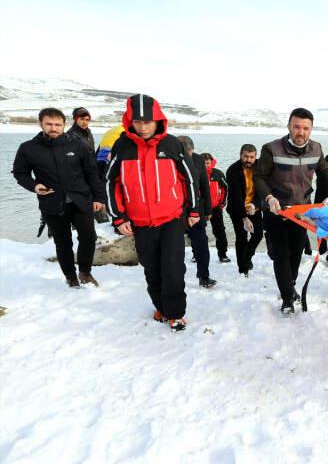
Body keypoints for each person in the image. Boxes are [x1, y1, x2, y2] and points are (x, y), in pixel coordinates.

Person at [105, 94, 200, 332]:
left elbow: (189, 179)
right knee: (152, 268)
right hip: (140, 222)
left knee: (174, 267)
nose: (143, 126)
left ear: (158, 120)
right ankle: (161, 307)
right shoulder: (122, 146)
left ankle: (176, 313)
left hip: (171, 219)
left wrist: (194, 209)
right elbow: (110, 182)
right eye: (138, 122)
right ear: (130, 120)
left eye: (148, 121)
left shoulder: (171, 145)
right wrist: (118, 216)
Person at [253, 107, 328, 314]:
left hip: (300, 211)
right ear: (289, 126)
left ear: (311, 129)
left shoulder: (316, 148)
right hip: (275, 210)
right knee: (281, 255)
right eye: (296, 127)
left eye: (306, 128)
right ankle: (287, 298)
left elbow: (324, 172)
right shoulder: (271, 149)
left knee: (296, 252)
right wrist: (269, 198)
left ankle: (290, 284)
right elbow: (258, 177)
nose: (301, 132)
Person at [12, 107, 105, 287]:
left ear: (64, 125)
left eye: (57, 124)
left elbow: (92, 173)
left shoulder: (78, 145)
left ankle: (85, 272)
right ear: (41, 124)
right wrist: (34, 186)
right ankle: (71, 277)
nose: (53, 128)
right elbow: (20, 173)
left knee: (88, 238)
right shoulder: (28, 148)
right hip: (52, 202)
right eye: (49, 124)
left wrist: (99, 198)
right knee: (63, 243)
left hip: (80, 200)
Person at [177, 136, 216, 288]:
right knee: (175, 247)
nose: (189, 156)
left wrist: (208, 210)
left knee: (201, 244)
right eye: (186, 154)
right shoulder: (168, 160)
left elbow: (204, 186)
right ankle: (174, 278)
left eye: (190, 153)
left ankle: (204, 276)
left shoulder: (198, 160)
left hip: (196, 209)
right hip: (176, 210)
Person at [226, 144, 263, 277]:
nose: (248, 159)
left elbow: (262, 188)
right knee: (241, 237)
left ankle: (246, 258)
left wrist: (255, 205)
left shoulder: (260, 167)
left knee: (258, 234)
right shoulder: (232, 170)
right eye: (245, 156)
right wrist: (244, 218)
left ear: (255, 156)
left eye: (251, 157)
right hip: (237, 209)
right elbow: (235, 197)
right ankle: (243, 268)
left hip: (254, 207)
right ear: (240, 155)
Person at [202, 153, 230, 263]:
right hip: (201, 208)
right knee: (197, 233)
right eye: (203, 163)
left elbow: (225, 188)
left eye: (208, 163)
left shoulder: (218, 173)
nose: (206, 165)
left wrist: (222, 203)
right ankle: (196, 254)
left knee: (220, 232)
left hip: (215, 207)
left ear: (211, 162)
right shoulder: (196, 172)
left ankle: (222, 254)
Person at [313, 153, 328, 269]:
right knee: (320, 230)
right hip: (320, 206)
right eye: (326, 166)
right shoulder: (320, 174)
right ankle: (322, 250)